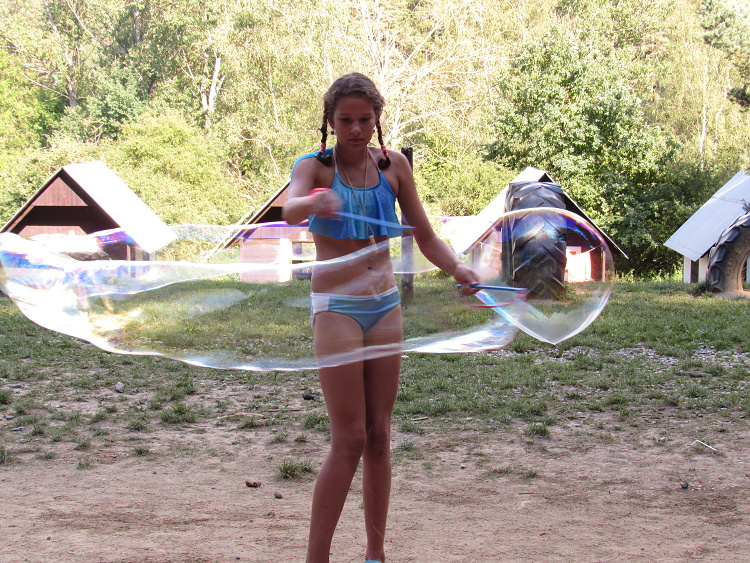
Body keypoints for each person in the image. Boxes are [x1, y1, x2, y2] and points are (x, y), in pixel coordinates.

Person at [282, 73, 479, 563]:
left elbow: (425, 236)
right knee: (349, 438)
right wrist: (314, 201)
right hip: (337, 307)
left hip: (384, 303)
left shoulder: (394, 167)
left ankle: (375, 554)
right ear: (330, 121)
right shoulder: (314, 167)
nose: (355, 129)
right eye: (345, 120)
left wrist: (457, 268)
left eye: (364, 120)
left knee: (379, 436)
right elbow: (289, 210)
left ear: (377, 120)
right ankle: (316, 559)